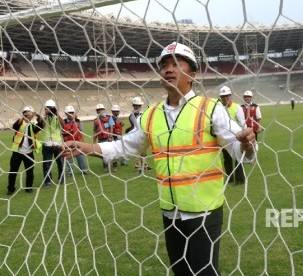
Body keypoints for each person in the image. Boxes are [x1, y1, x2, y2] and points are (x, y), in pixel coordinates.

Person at [62, 42, 256, 275]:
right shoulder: (151, 114)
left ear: (191, 75)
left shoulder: (210, 108)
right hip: (170, 213)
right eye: (164, 65)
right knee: (180, 272)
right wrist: (87, 147)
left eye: (176, 64)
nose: (168, 69)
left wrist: (246, 144)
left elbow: (239, 151)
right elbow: (126, 146)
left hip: (204, 213)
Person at [7, 106, 44, 195]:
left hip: (29, 153)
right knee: (13, 171)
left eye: (29, 113)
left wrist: (38, 116)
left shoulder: (33, 125)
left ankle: (29, 188)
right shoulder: (20, 123)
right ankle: (11, 189)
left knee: (30, 172)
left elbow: (41, 125)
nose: (27, 114)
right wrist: (22, 118)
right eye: (26, 112)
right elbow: (15, 126)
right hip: (17, 152)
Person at [219, 85, 246, 185]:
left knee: (238, 158)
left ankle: (240, 179)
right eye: (223, 96)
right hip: (224, 137)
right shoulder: (219, 108)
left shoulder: (236, 107)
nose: (225, 98)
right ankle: (229, 178)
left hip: (236, 137)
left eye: (227, 95)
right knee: (227, 159)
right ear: (220, 97)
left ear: (230, 96)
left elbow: (242, 122)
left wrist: (244, 134)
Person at [40, 99, 65, 188]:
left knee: (60, 163)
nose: (48, 110)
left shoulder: (57, 117)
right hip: (47, 144)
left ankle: (61, 178)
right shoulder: (43, 117)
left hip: (57, 144)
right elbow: (41, 126)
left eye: (50, 108)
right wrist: (45, 116)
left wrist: (56, 114)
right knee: (46, 164)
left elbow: (63, 125)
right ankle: (47, 181)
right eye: (47, 109)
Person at [62, 105, 88, 177]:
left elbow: (81, 132)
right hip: (68, 143)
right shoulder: (63, 122)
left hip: (77, 142)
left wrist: (83, 142)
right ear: (66, 114)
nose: (71, 114)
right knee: (69, 157)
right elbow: (61, 132)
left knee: (80, 157)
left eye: (72, 112)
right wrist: (67, 132)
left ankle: (83, 170)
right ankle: (70, 172)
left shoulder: (78, 121)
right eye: (69, 112)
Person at [126, 96, 150, 174]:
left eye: (139, 105)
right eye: (137, 105)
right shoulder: (132, 115)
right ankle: (138, 167)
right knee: (137, 152)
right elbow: (135, 125)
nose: (138, 107)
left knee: (144, 152)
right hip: (135, 135)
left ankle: (145, 166)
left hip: (142, 135)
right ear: (134, 106)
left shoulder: (142, 114)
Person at [93, 103, 115, 172]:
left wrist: (110, 137)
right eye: (98, 110)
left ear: (104, 110)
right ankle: (105, 167)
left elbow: (111, 127)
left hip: (108, 138)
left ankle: (114, 166)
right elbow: (95, 131)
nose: (100, 111)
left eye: (101, 109)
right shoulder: (95, 120)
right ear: (96, 111)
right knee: (103, 154)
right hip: (101, 140)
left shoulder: (109, 117)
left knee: (112, 152)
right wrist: (94, 141)